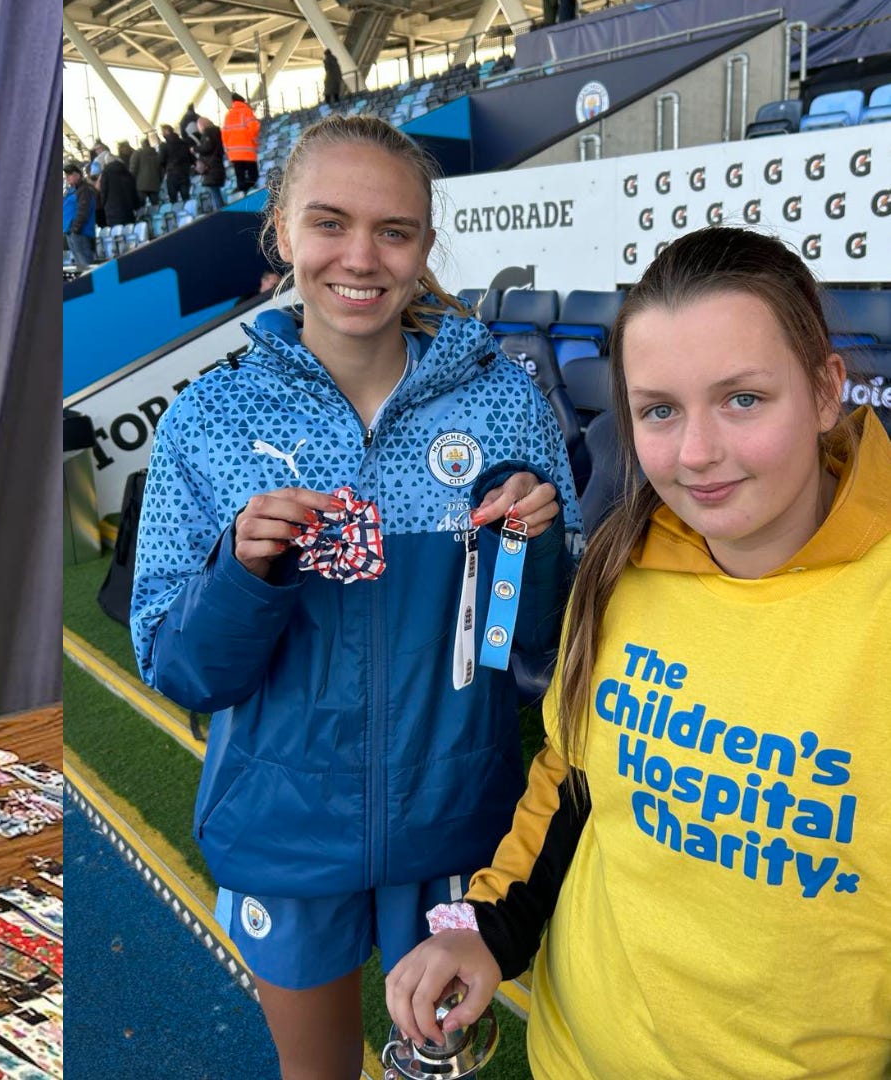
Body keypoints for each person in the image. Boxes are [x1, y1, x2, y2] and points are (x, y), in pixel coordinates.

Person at [130, 115, 579, 1079]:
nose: (361, 258)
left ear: (425, 245)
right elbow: (180, 669)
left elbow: (543, 647)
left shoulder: (503, 400)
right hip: (282, 830)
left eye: (395, 231)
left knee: (442, 1070)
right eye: (329, 223)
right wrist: (244, 574)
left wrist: (537, 555)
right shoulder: (210, 419)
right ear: (281, 232)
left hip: (463, 818)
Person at [386, 226, 891, 1078]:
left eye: (742, 399)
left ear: (825, 390)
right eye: (660, 410)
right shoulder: (621, 569)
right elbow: (570, 775)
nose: (695, 455)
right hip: (574, 1055)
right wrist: (482, 926)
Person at [222, 93, 261, 194]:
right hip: (248, 150)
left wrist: (228, 150)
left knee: (240, 178)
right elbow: (254, 128)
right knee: (253, 176)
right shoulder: (247, 111)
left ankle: (242, 192)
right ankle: (250, 191)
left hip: (234, 153)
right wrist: (253, 141)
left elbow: (224, 135)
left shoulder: (228, 115)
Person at [63, 161, 98, 270]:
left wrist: (75, 228)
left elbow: (83, 211)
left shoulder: (84, 190)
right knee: (80, 265)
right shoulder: (73, 190)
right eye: (67, 175)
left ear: (78, 175)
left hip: (80, 232)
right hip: (71, 231)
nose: (68, 177)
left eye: (71, 174)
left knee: (85, 265)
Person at [98, 142, 139, 228]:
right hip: (128, 210)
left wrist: (104, 205)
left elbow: (103, 192)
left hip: (112, 212)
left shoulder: (106, 173)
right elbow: (133, 189)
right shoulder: (125, 171)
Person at [192, 116, 227, 210]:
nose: (198, 129)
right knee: (215, 192)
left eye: (198, 126)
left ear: (202, 125)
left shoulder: (208, 133)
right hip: (217, 166)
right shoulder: (217, 132)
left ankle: (220, 212)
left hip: (212, 168)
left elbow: (207, 147)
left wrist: (195, 148)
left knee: (215, 192)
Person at [158, 123, 194, 203]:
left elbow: (161, 160)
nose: (162, 134)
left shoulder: (164, 146)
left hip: (172, 174)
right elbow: (190, 157)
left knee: (173, 199)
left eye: (162, 132)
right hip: (185, 173)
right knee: (186, 197)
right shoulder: (183, 142)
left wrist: (165, 169)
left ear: (167, 131)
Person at [130, 133, 163, 208]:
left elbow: (133, 169)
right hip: (155, 183)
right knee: (156, 205)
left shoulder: (137, 154)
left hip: (141, 185)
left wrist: (132, 180)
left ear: (142, 145)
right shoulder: (156, 154)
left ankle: (143, 218)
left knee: (141, 206)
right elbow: (161, 169)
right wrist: (159, 180)